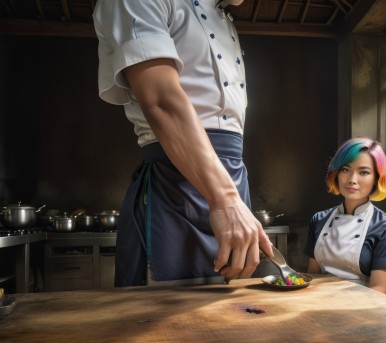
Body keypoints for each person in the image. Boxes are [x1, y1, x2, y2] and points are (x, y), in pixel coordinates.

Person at [92, 0, 273, 287]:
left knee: (232, 315)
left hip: (232, 180)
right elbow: (162, 101)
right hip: (175, 185)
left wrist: (232, 197)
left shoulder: (221, 14)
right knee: (162, 320)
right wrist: (225, 200)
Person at [304, 138, 386, 293]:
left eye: (364, 172)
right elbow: (312, 276)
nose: (352, 180)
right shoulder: (319, 220)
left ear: (377, 178)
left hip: (361, 310)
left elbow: (378, 290)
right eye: (345, 170)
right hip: (317, 303)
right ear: (336, 174)